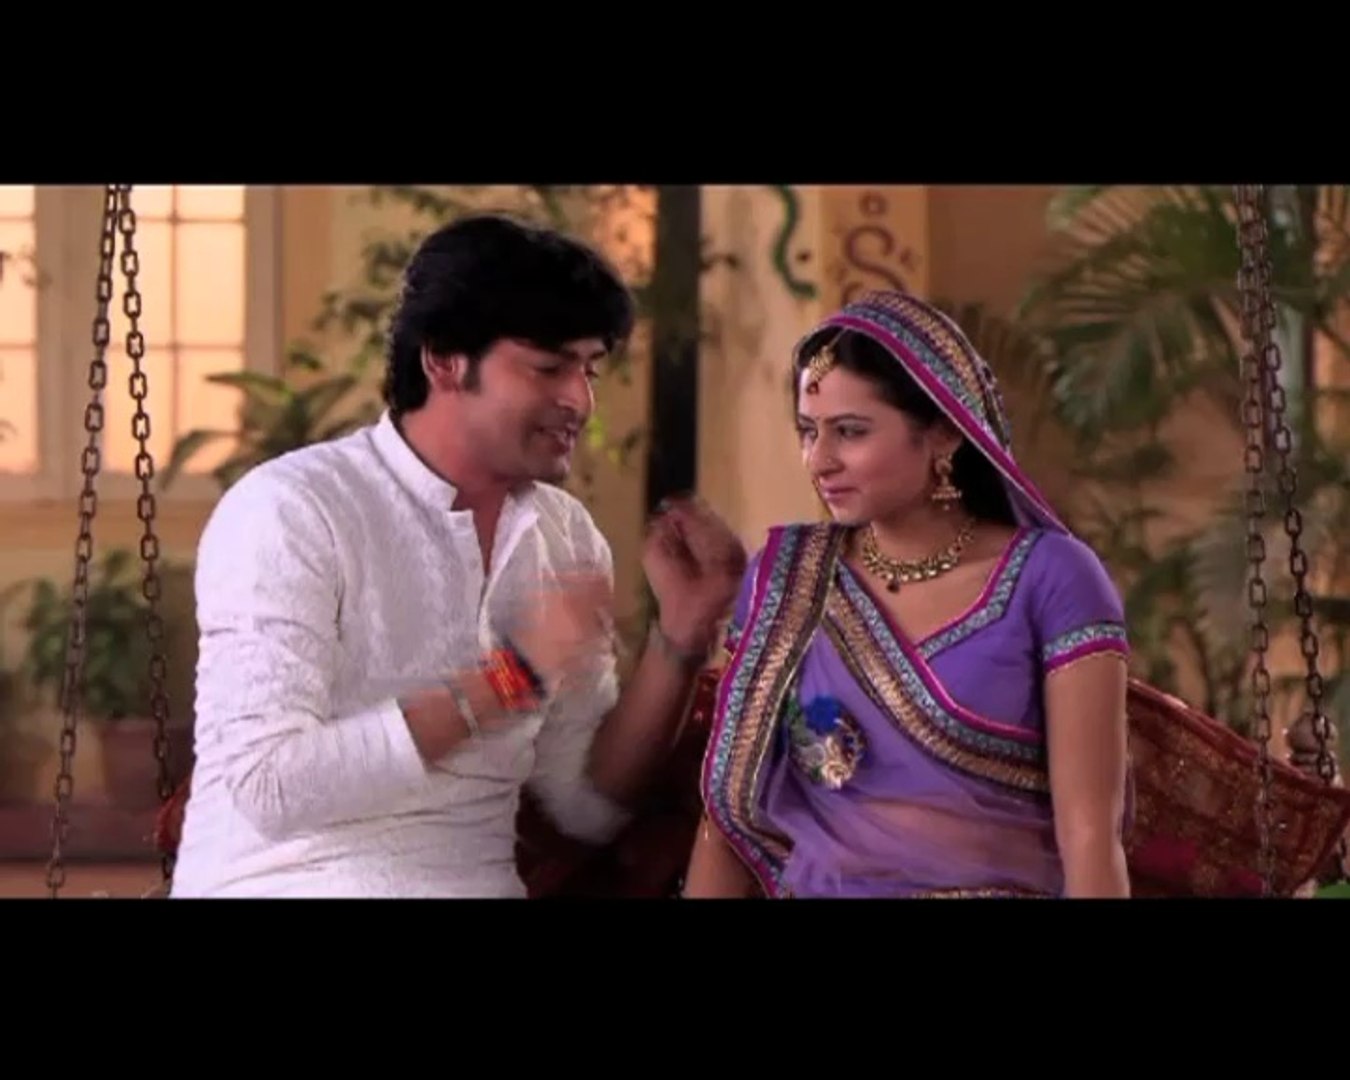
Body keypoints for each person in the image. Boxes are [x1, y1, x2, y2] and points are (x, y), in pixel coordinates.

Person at [169, 212, 746, 898]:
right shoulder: (292, 509)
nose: (580, 399)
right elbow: (270, 785)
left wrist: (680, 636)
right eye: (549, 367)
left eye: (589, 369)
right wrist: (510, 678)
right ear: (443, 359)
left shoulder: (564, 534)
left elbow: (584, 805)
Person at [682, 289, 1133, 899]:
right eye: (808, 432)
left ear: (943, 435)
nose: (819, 461)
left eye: (850, 432)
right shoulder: (788, 580)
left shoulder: (1053, 576)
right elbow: (729, 818)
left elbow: (1089, 834)